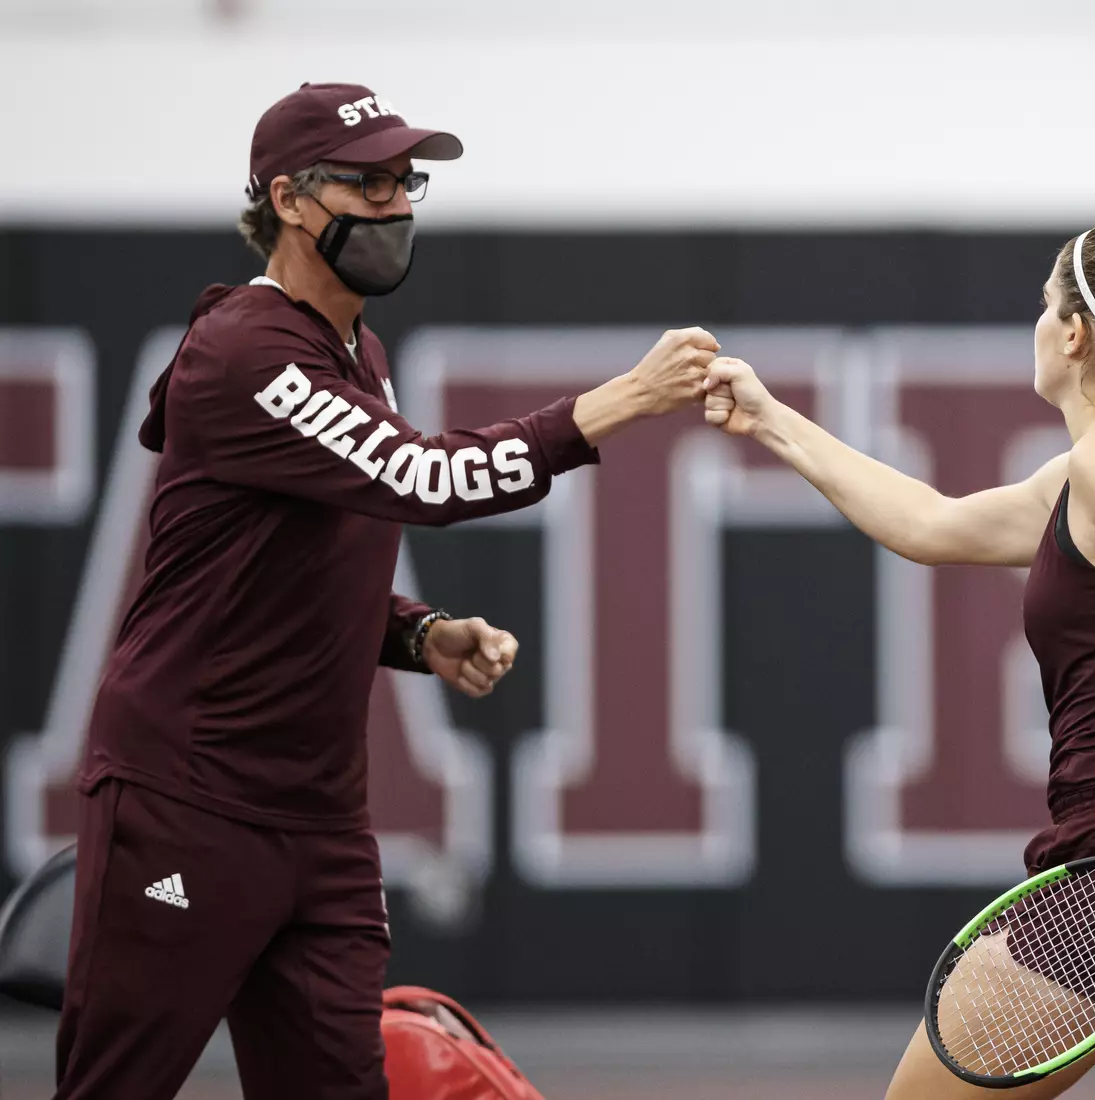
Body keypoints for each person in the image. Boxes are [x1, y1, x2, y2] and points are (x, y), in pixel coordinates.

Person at [53, 82, 719, 1100]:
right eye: (365, 183)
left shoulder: (359, 351)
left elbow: (289, 566)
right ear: (287, 198)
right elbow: (425, 478)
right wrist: (624, 397)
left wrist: (418, 634)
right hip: (187, 802)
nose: (395, 205)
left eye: (405, 181)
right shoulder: (244, 349)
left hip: (318, 819)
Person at [702, 218, 1095, 1100]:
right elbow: (931, 525)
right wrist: (772, 420)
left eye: (1042, 303)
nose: (1036, 321)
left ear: (1074, 334)